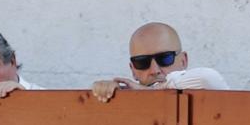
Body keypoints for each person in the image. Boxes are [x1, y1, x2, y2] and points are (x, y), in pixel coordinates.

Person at [90, 22, 228, 103]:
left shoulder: (207, 89)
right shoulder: (126, 102)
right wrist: (107, 92)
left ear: (183, 61)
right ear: (133, 70)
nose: (155, 70)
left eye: (165, 58)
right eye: (142, 62)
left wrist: (152, 90)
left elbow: (207, 78)